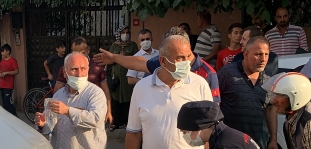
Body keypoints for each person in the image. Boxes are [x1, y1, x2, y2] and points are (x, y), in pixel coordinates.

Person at [93, 27, 221, 105]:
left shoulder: (208, 74)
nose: (166, 59)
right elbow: (139, 63)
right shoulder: (164, 63)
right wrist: (114, 57)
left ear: (186, 46)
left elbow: (213, 112)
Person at [217, 36, 279, 149]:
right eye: (258, 54)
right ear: (246, 54)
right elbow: (214, 105)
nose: (263, 59)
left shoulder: (269, 79)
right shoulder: (226, 74)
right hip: (230, 146)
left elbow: (270, 108)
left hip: (258, 147)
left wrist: (273, 140)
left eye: (266, 54)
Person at [55, 37, 113, 125]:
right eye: (75, 52)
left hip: (94, 108)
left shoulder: (97, 66)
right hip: (70, 114)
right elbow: (58, 90)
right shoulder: (66, 68)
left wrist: (109, 110)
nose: (79, 74)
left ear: (88, 51)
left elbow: (105, 89)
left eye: (82, 53)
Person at [108, 26, 138, 131]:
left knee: (128, 100)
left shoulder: (132, 45)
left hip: (128, 78)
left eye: (127, 32)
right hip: (116, 78)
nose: (125, 34)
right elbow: (109, 59)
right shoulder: (114, 46)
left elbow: (136, 59)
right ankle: (115, 123)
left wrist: (125, 58)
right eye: (123, 32)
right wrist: (117, 58)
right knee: (116, 100)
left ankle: (127, 122)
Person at [0, 43, 19, 116]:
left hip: (8, 85)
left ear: (8, 51)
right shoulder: (2, 61)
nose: (2, 53)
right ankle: (7, 116)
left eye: (3, 51)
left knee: (8, 101)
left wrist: (7, 73)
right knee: (4, 102)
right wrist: (0, 74)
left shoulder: (13, 60)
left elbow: (16, 71)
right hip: (2, 84)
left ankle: (15, 116)